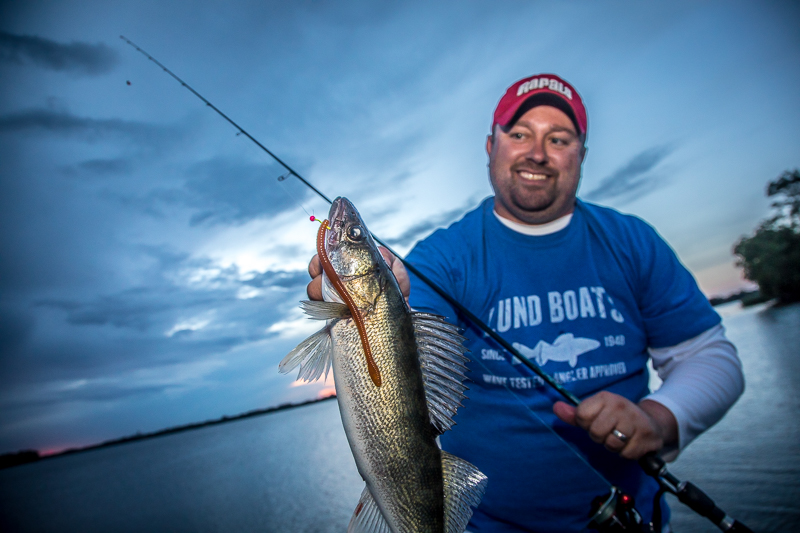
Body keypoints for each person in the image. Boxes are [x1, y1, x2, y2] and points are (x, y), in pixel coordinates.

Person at [307, 74, 745, 532]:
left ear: (582, 154)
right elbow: (409, 345)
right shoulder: (444, 258)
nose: (537, 152)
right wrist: (381, 299)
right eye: (519, 134)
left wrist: (661, 417)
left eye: (558, 138)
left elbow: (710, 356)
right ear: (490, 146)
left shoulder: (632, 242)